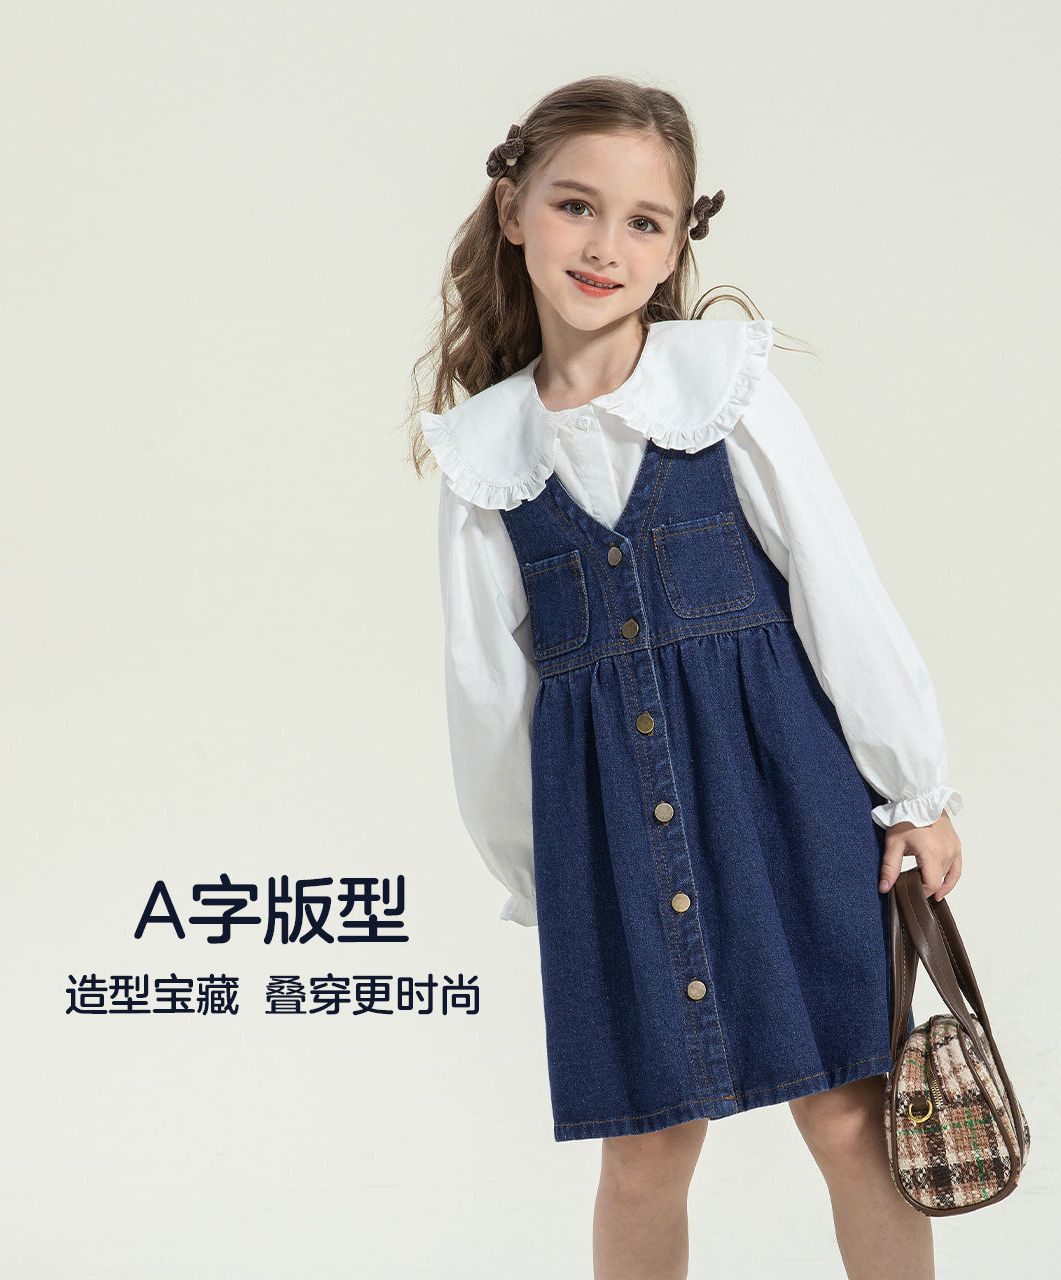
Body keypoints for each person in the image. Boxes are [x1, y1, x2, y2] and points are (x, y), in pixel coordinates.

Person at [407, 75, 962, 1280]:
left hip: (790, 803)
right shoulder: (483, 457)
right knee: (643, 1154)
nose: (603, 245)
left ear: (673, 249)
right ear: (512, 211)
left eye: (642, 221)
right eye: (575, 205)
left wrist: (912, 784)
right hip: (609, 835)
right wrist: (540, 868)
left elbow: (835, 585)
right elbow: (485, 696)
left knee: (849, 1119)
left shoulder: (725, 388)